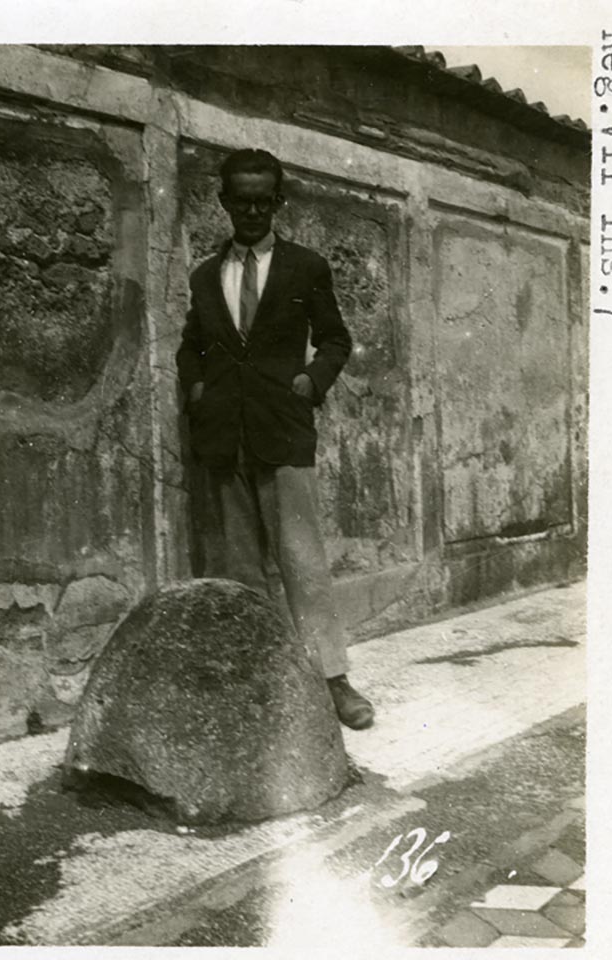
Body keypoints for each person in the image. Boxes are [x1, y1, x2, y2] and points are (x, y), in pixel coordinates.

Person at [176, 148, 374, 730]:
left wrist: (310, 383)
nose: (254, 210)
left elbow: (336, 339)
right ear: (226, 202)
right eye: (243, 200)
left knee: (302, 563)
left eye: (265, 200)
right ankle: (254, 682)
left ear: (278, 201)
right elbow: (194, 344)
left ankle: (333, 681)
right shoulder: (205, 275)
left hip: (284, 430)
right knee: (238, 571)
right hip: (224, 436)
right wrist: (194, 387)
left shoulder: (305, 267)